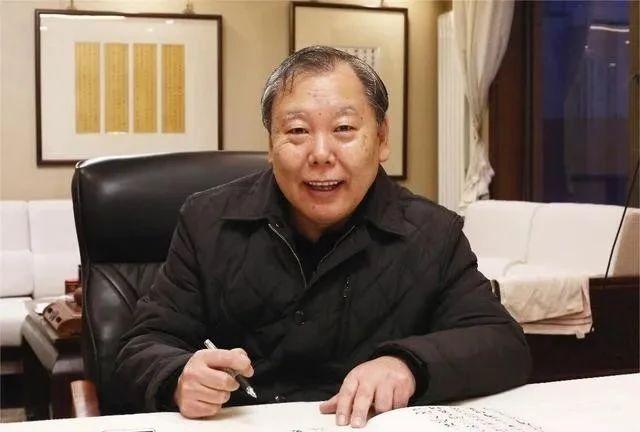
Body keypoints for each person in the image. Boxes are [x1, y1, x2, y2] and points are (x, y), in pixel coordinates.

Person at [116, 46, 531, 428]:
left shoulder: (432, 234)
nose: (320, 154)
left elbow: (501, 343)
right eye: (297, 131)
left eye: (344, 128)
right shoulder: (209, 221)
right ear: (271, 144)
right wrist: (178, 376)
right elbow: (143, 346)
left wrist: (407, 365)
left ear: (382, 139)